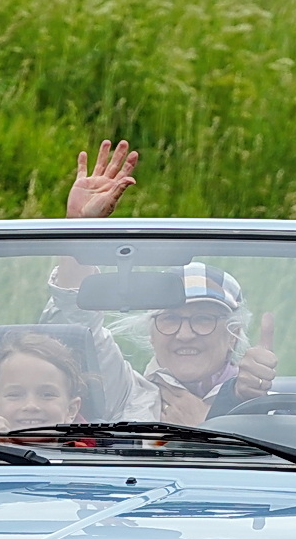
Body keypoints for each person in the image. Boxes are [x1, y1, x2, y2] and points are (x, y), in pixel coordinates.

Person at [41, 141, 280, 425]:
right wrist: (79, 229)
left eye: (203, 319)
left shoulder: (264, 404)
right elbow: (77, 319)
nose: (185, 334)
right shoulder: (128, 391)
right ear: (151, 333)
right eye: (170, 319)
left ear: (234, 334)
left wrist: (212, 425)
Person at [0, 331, 87, 442]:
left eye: (47, 395)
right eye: (15, 395)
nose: (30, 406)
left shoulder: (97, 455)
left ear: (71, 410)